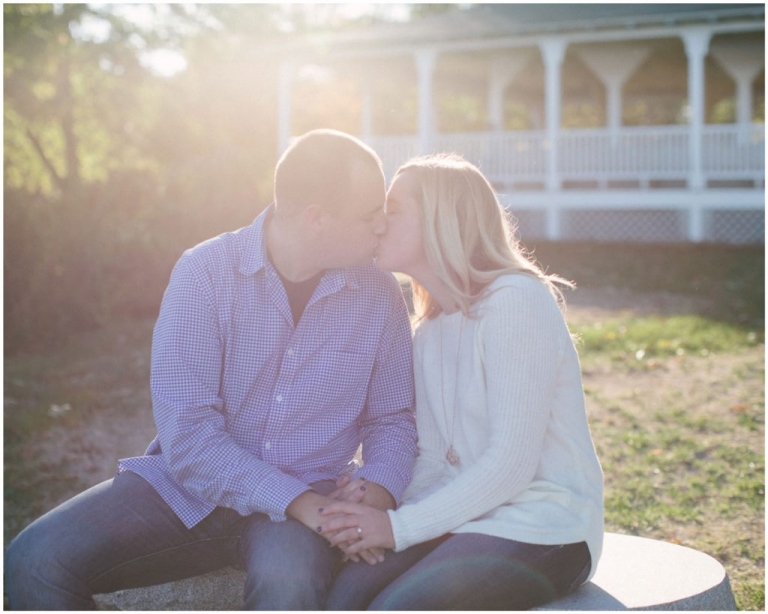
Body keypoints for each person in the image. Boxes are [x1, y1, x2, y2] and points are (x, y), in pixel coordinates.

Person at [4, 129, 418, 610]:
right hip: (191, 492)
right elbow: (189, 435)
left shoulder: (380, 294)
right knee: (33, 561)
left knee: (289, 585)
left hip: (311, 497)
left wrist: (377, 492)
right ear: (317, 219)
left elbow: (391, 419)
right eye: (371, 216)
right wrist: (305, 505)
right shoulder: (203, 273)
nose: (382, 227)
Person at [319, 153, 604, 610]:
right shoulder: (429, 330)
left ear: (441, 220)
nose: (378, 223)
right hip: (472, 520)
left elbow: (511, 463)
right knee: (345, 595)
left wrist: (397, 529)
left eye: (393, 210)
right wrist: (372, 507)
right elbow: (434, 460)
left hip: (546, 525)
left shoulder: (517, 302)